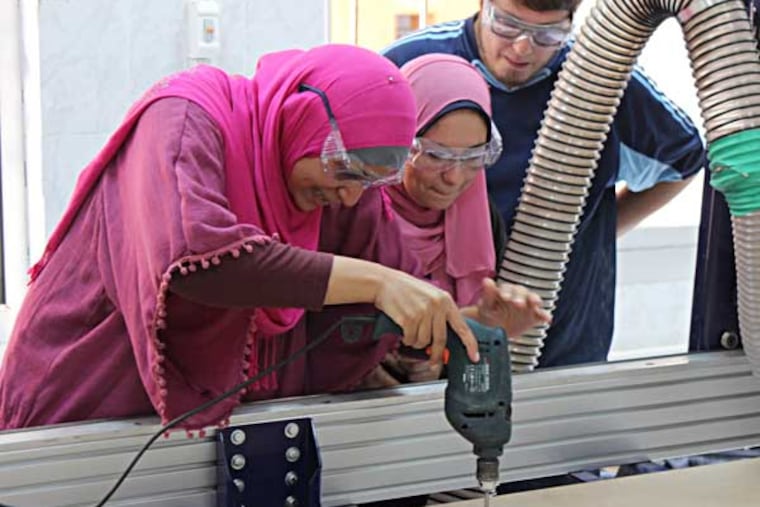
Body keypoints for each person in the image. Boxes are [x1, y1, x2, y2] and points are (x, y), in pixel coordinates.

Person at [0, 44, 489, 431]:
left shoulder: (347, 172)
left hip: (230, 434)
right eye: (344, 173)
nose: (347, 197)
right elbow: (195, 259)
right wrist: (377, 284)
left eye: (367, 182)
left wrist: (424, 335)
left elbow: (389, 281)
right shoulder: (183, 119)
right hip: (89, 408)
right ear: (301, 119)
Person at [382, 0, 706, 368]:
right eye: (506, 24)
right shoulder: (410, 65)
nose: (523, 47)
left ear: (572, 21)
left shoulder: (601, 81)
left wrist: (589, 235)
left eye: (548, 33)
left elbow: (685, 160)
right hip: (423, 350)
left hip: (563, 338)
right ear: (483, 5)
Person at [347, 53, 551, 390]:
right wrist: (361, 366)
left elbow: (463, 332)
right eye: (435, 155)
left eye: (473, 158)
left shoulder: (482, 219)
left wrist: (448, 355)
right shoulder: (351, 206)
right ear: (398, 143)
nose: (454, 178)